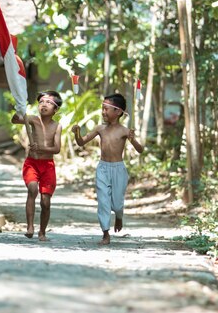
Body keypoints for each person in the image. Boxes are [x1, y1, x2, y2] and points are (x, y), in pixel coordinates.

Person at [71, 93, 144, 245]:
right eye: (102, 109)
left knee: (117, 204)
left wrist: (132, 138)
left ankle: (119, 216)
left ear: (118, 112)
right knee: (103, 201)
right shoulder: (100, 129)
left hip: (118, 170)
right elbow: (81, 142)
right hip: (103, 168)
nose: (103, 112)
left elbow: (140, 150)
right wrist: (77, 132)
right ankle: (105, 233)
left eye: (106, 109)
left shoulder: (124, 131)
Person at [11, 91, 63, 242]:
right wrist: (18, 108)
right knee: (32, 189)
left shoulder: (57, 126)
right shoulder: (33, 120)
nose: (43, 105)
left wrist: (41, 149)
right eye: (41, 102)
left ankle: (42, 232)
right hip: (32, 163)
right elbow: (15, 120)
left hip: (47, 165)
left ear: (55, 109)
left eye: (48, 102)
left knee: (45, 202)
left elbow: (57, 149)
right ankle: (30, 227)